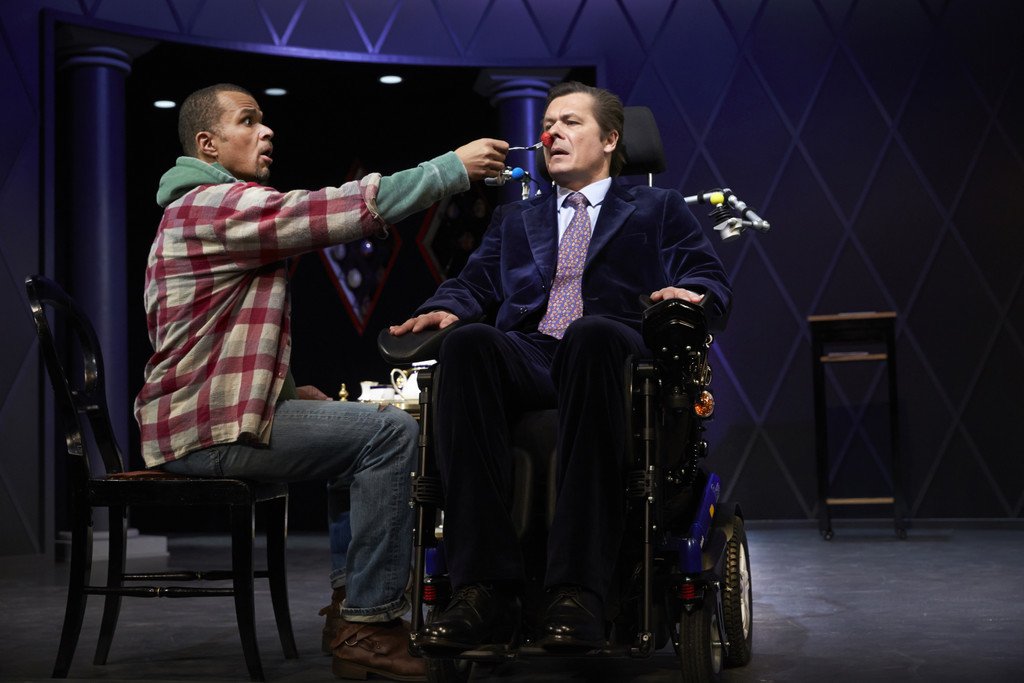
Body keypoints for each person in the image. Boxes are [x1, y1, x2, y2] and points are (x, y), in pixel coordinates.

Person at [133, 82, 508, 681]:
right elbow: (332, 211)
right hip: (207, 435)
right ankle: (371, 625)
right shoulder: (213, 206)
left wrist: (284, 394)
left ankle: (348, 610)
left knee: (356, 429)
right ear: (207, 145)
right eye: (247, 121)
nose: (266, 131)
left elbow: (216, 341)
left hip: (204, 422)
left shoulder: (199, 211)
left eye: (263, 120)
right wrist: (451, 170)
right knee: (390, 434)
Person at [389, 81, 732, 652]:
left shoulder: (657, 207)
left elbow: (707, 277)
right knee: (468, 345)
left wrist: (691, 293)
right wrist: (445, 308)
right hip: (533, 351)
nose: (552, 134)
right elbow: (474, 283)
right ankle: (484, 592)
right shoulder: (516, 218)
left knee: (588, 334)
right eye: (548, 124)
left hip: (611, 353)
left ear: (611, 140)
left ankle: (579, 590)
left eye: (570, 122)